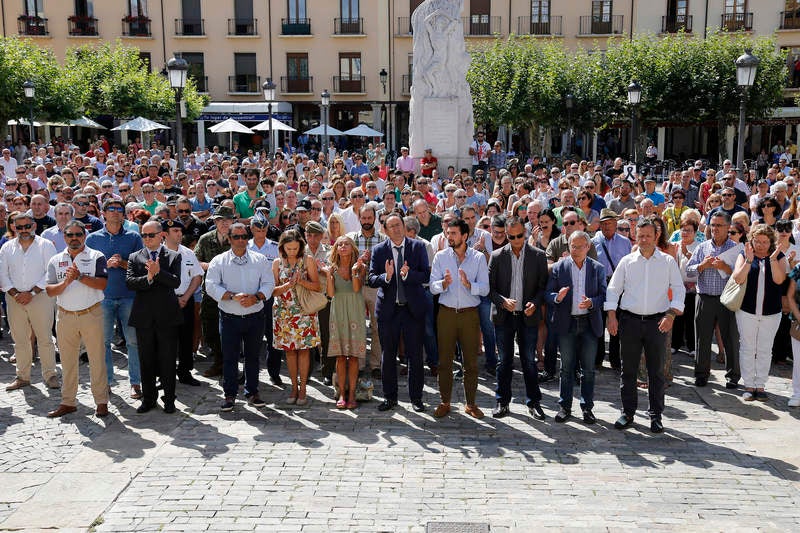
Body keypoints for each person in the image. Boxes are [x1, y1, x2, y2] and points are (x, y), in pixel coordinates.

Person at [605, 218, 685, 433]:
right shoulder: (627, 261)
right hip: (629, 321)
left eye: (648, 235)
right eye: (640, 236)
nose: (644, 240)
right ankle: (628, 412)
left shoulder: (667, 262)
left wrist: (671, 314)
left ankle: (656, 415)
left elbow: (679, 290)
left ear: (656, 236)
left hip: (657, 322)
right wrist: (611, 316)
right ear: (635, 236)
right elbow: (613, 289)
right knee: (628, 371)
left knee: (656, 372)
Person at [206, 223, 274, 412]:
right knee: (230, 357)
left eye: (244, 236)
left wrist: (257, 297)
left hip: (255, 315)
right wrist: (231, 296)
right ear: (229, 239)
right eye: (236, 237)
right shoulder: (218, 261)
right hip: (229, 316)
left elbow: (269, 283)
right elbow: (210, 285)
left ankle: (252, 392)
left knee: (253, 356)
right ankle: (229, 394)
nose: (241, 240)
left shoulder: (260, 259)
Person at [44, 220, 109, 417]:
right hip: (65, 316)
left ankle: (101, 401)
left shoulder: (97, 256)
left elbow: (102, 284)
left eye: (78, 234)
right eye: (70, 235)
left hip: (91, 313)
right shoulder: (55, 260)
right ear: (64, 237)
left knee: (97, 359)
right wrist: (67, 281)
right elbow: (49, 290)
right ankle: (68, 401)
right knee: (67, 360)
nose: (74, 238)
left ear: (84, 236)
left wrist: (80, 277)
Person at [368, 213, 430, 412]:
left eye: (398, 224)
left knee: (415, 356)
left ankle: (416, 398)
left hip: (413, 310)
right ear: (385, 230)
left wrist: (408, 275)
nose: (395, 228)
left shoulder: (418, 247)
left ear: (404, 226)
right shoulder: (378, 250)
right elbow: (371, 278)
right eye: (391, 226)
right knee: (388, 355)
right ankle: (390, 397)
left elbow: (426, 275)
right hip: (389, 310)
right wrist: (386, 277)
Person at [488, 216, 548, 420]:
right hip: (504, 316)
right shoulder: (496, 256)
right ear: (506, 235)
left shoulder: (538, 256)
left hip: (527, 316)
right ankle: (502, 402)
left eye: (520, 236)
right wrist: (502, 301)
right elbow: (490, 289)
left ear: (526, 233)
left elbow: (543, 287)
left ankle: (534, 402)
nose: (516, 240)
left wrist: (535, 302)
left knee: (529, 361)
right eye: (512, 236)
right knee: (504, 361)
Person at [429, 219, 490, 419]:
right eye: (448, 232)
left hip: (469, 314)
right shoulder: (440, 256)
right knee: (444, 361)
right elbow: (432, 287)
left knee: (471, 362)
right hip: (446, 313)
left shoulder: (478, 258)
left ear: (464, 236)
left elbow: (485, 288)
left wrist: (468, 284)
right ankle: (445, 402)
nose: (449, 236)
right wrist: (443, 284)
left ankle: (470, 403)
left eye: (454, 233)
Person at [86, 198, 145, 399]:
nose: (115, 212)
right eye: (110, 209)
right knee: (103, 343)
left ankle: (135, 383)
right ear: (103, 213)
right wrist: (105, 266)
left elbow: (141, 266)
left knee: (133, 342)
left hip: (129, 296)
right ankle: (107, 381)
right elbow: (86, 267)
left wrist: (121, 264)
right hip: (102, 297)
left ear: (124, 214)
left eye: (119, 209)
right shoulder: (92, 238)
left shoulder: (134, 237)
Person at [546, 231, 606, 424]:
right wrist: (557, 297)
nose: (577, 250)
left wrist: (592, 302)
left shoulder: (597, 268)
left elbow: (604, 295)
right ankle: (565, 407)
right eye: (573, 246)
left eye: (581, 246)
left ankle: (587, 408)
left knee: (588, 369)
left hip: (588, 323)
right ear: (568, 247)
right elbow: (547, 293)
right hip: (567, 323)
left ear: (588, 247)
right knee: (566, 368)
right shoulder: (559, 267)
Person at [126, 220, 183, 414]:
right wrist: (149, 278)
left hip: (167, 316)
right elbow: (130, 282)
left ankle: (169, 399)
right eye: (144, 235)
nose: (147, 239)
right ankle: (149, 399)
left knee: (167, 360)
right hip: (144, 317)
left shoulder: (174, 255)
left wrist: (159, 273)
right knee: (146, 359)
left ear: (162, 236)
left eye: (151, 235)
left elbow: (176, 282)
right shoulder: (135, 257)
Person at [1, 212, 59, 391]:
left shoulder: (46, 245)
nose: (24, 230)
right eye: (20, 227)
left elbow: (50, 272)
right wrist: (15, 293)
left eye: (27, 226)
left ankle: (50, 375)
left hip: (40, 297)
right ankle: (22, 376)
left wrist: (31, 293)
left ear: (34, 225)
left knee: (45, 338)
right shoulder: (7, 247)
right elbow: (2, 274)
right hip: (14, 299)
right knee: (19, 339)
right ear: (14, 228)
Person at [730, 225, 788, 402]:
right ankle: (748, 385)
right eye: (758, 241)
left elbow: (779, 279)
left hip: (771, 312)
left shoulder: (779, 257)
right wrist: (748, 260)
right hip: (747, 310)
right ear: (752, 241)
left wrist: (771, 259)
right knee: (747, 347)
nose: (761, 245)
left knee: (764, 349)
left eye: (765, 242)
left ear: (771, 242)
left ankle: (760, 385)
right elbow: (738, 278)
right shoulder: (744, 255)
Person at [686, 212, 741, 389]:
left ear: (728, 227)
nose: (715, 229)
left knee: (730, 338)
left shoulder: (736, 248)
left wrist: (726, 267)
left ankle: (733, 376)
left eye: (719, 225)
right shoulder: (702, 247)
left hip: (726, 299)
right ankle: (701, 374)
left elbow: (742, 276)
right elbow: (689, 271)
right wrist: (702, 266)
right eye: (713, 225)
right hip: (704, 298)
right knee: (702, 338)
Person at [272, 229, 322, 406]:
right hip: (284, 314)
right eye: (288, 249)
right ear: (282, 247)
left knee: (304, 351)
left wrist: (301, 282)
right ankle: (293, 387)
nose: (291, 252)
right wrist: (288, 285)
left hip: (304, 311)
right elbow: (273, 290)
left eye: (294, 248)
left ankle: (303, 389)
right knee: (290, 352)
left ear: (300, 246)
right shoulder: (277, 263)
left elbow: (317, 286)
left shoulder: (307, 260)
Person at [322, 235, 367, 409]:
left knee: (354, 356)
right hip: (338, 309)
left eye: (346, 244)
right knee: (341, 356)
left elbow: (356, 288)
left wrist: (355, 270)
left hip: (355, 309)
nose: (343, 247)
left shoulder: (360, 266)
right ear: (336, 249)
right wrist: (328, 275)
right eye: (339, 244)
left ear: (352, 247)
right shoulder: (331, 268)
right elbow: (331, 294)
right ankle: (342, 393)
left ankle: (352, 393)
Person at [162, 219, 204, 386]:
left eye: (180, 231)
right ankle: (165, 374)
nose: (180, 234)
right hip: (165, 301)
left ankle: (185, 372)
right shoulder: (158, 253)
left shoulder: (188, 253)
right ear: (165, 234)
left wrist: (186, 297)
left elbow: (197, 276)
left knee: (186, 338)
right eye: (175, 231)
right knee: (165, 340)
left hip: (185, 300)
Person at [194, 206, 235, 377]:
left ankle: (229, 366)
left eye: (227, 219)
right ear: (215, 221)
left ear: (232, 221)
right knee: (210, 328)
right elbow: (195, 261)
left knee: (232, 330)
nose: (224, 223)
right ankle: (219, 362)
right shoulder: (205, 239)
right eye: (220, 219)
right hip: (211, 292)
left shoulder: (238, 238)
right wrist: (211, 267)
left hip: (231, 292)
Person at [347, 205, 386, 378]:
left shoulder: (383, 240)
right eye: (364, 218)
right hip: (356, 287)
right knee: (358, 327)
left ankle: (376, 364)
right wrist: (359, 261)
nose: (367, 221)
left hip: (376, 288)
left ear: (375, 219)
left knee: (378, 328)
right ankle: (360, 364)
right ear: (359, 219)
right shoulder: (352, 239)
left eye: (370, 218)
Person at [592, 208, 631, 370]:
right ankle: (598, 358)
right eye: (604, 224)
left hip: (618, 285)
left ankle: (616, 359)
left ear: (616, 224)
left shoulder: (625, 242)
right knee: (598, 322)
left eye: (610, 223)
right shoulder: (593, 242)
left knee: (618, 322)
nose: (607, 226)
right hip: (599, 286)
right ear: (600, 225)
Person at [248, 212, 283, 386]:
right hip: (250, 296)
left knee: (272, 336)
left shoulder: (276, 247)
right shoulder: (244, 246)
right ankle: (248, 373)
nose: (260, 232)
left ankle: (274, 372)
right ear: (252, 228)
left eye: (263, 228)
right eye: (257, 228)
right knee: (249, 337)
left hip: (269, 296)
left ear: (267, 228)